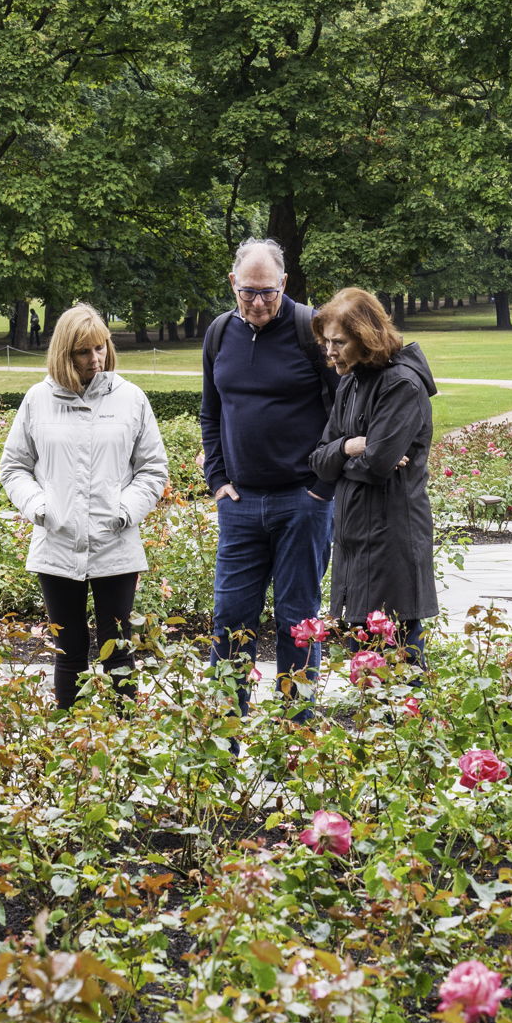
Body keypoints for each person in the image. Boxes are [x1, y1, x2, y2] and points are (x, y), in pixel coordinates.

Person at [0, 304, 170, 710]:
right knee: (69, 650)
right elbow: (13, 467)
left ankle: (121, 748)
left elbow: (152, 469)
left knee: (117, 651)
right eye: (84, 352)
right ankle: (69, 746)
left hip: (116, 546)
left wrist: (124, 510)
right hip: (56, 546)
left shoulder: (131, 399)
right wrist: (40, 507)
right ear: (64, 354)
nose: (96, 359)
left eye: (101, 348)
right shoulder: (37, 400)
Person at [200, 238, 337, 704]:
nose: (258, 303)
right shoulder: (219, 333)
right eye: (248, 292)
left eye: (268, 292)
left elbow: (346, 409)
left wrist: (322, 487)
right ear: (233, 283)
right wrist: (217, 480)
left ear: (283, 283)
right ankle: (223, 740)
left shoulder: (312, 330)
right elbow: (210, 412)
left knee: (297, 622)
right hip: (239, 505)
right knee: (229, 622)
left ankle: (294, 743)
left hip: (302, 502)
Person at [308, 287, 438, 659]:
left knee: (398, 658)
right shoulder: (350, 380)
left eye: (339, 342)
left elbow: (379, 465)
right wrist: (352, 446)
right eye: (326, 342)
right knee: (363, 656)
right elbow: (318, 459)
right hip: (355, 540)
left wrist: (358, 455)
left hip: (390, 540)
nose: (329, 351)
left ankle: (409, 720)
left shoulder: (401, 384)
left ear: (366, 338)